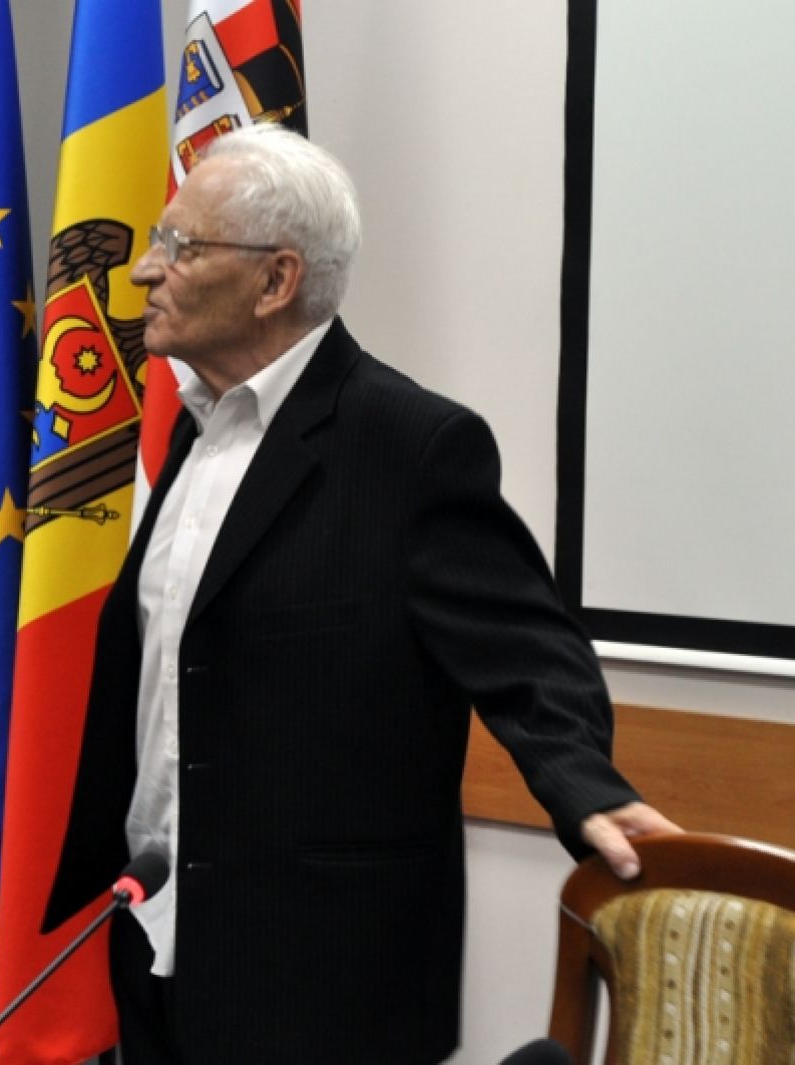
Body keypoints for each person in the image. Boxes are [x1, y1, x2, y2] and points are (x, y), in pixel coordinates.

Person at [43, 124, 679, 1064]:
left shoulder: (411, 447)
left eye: (181, 245)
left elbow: (528, 654)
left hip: (321, 976)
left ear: (276, 280)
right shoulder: (193, 431)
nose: (145, 269)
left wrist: (586, 790)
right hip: (161, 941)